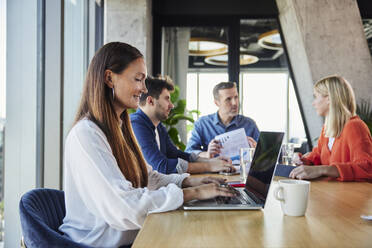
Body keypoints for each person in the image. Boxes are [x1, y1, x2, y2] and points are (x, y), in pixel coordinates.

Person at [59, 42, 236, 247]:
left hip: (129, 237)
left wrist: (189, 182)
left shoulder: (120, 128)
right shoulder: (87, 134)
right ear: (109, 78)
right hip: (96, 243)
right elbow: (125, 207)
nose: (143, 89)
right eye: (138, 79)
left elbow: (148, 176)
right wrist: (193, 194)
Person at [130, 75, 235, 174]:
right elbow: (161, 166)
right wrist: (209, 166)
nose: (171, 105)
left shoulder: (158, 126)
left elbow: (176, 154)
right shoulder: (136, 124)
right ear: (151, 101)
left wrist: (209, 161)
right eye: (167, 99)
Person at [290, 75, 372, 181]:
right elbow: (318, 155)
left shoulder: (354, 126)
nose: (313, 103)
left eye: (316, 96)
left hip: (350, 196)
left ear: (329, 98)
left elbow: (367, 167)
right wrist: (302, 160)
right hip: (330, 192)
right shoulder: (327, 128)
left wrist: (322, 170)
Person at [185, 82, 260, 158]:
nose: (234, 103)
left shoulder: (250, 124)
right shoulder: (202, 124)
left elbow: (264, 155)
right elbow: (189, 152)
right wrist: (207, 154)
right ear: (217, 103)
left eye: (236, 97)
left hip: (242, 169)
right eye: (228, 99)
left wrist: (257, 150)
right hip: (212, 169)